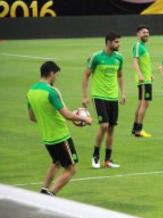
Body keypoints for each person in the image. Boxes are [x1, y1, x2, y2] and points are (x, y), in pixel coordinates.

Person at [27, 61, 92, 196]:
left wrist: (46, 117)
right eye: (56, 75)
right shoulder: (51, 92)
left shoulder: (31, 91)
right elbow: (67, 115)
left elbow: (32, 117)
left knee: (56, 162)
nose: (56, 78)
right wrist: (85, 119)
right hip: (60, 136)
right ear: (51, 73)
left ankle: (44, 189)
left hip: (47, 137)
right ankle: (50, 195)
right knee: (71, 169)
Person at [82, 32, 125, 169]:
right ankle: (95, 155)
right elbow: (86, 75)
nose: (119, 44)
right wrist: (85, 96)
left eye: (119, 42)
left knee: (111, 128)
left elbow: (120, 75)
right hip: (99, 95)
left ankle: (107, 160)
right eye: (116, 42)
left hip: (113, 97)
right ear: (108, 42)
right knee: (104, 125)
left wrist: (122, 93)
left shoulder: (119, 58)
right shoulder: (96, 57)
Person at [131, 25, 153, 138]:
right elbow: (135, 61)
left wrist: (150, 75)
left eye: (147, 32)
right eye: (144, 32)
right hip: (144, 81)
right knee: (145, 104)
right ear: (138, 34)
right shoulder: (138, 45)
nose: (146, 34)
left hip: (146, 79)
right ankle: (139, 130)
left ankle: (135, 128)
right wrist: (140, 75)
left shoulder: (143, 46)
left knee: (141, 104)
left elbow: (143, 63)